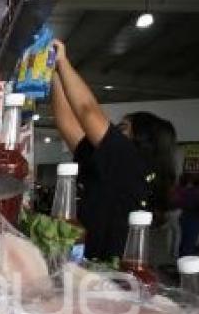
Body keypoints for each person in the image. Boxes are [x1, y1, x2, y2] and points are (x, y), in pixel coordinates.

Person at [51, 40, 178, 261]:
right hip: (86, 263)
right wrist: (53, 72)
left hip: (108, 272)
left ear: (144, 140)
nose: (115, 132)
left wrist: (63, 62)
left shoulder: (130, 162)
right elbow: (66, 123)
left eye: (123, 128)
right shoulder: (109, 165)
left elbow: (87, 111)